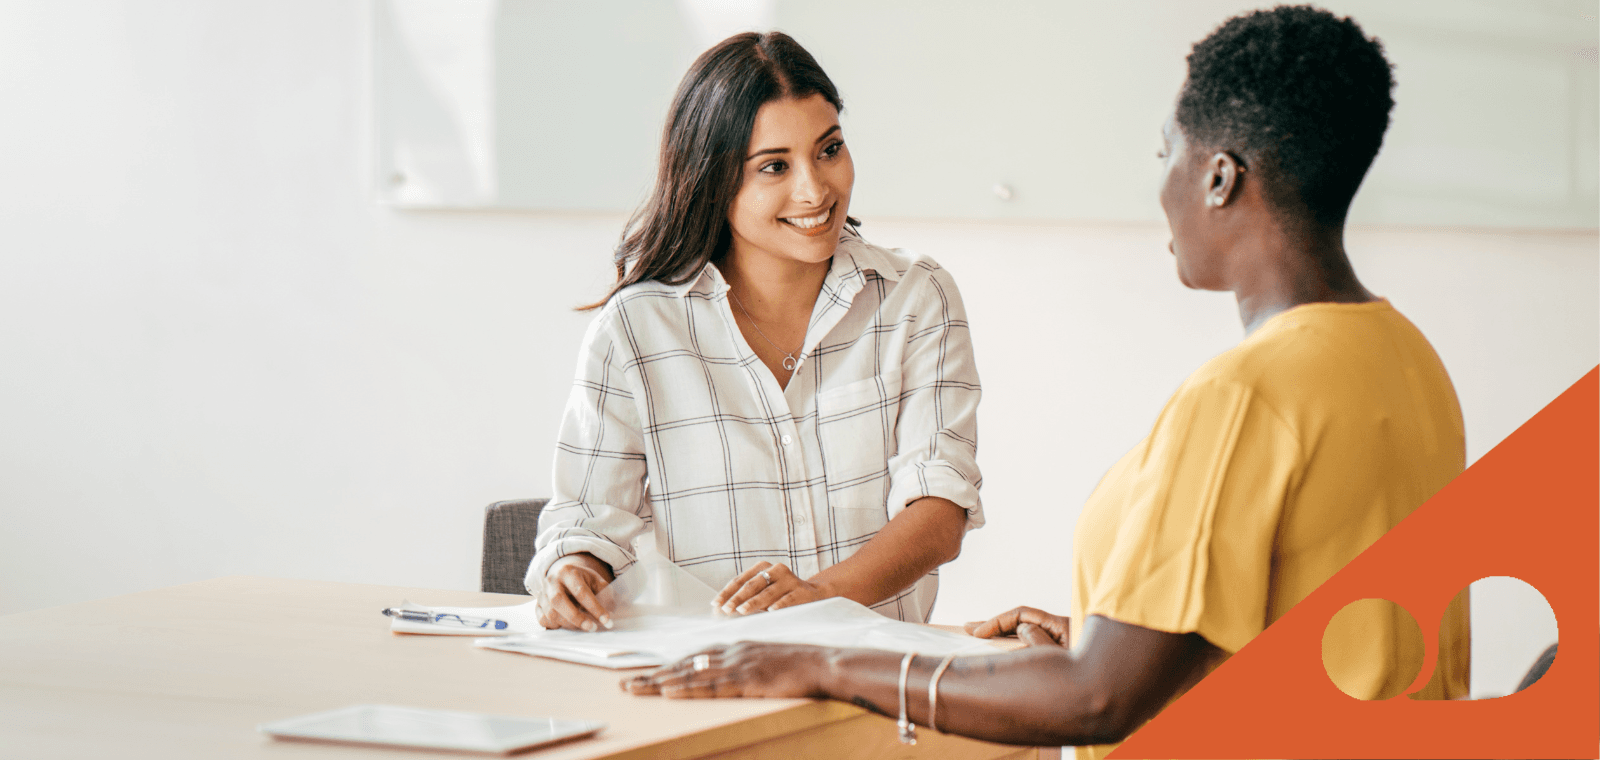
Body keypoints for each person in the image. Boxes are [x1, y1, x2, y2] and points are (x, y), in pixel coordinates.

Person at [621, 6, 1472, 755]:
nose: (1161, 184)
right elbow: (1328, 630)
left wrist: (826, 659)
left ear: (1219, 177)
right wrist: (1097, 639)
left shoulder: (1244, 396)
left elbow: (1100, 701)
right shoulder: (1407, 359)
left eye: (1165, 154)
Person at [526, 32, 982, 632]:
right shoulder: (637, 331)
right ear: (713, 179)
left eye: (829, 149)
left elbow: (939, 508)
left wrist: (815, 598)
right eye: (774, 166)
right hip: (711, 679)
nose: (815, 190)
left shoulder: (915, 297)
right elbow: (585, 518)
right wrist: (574, 570)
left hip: (875, 680)